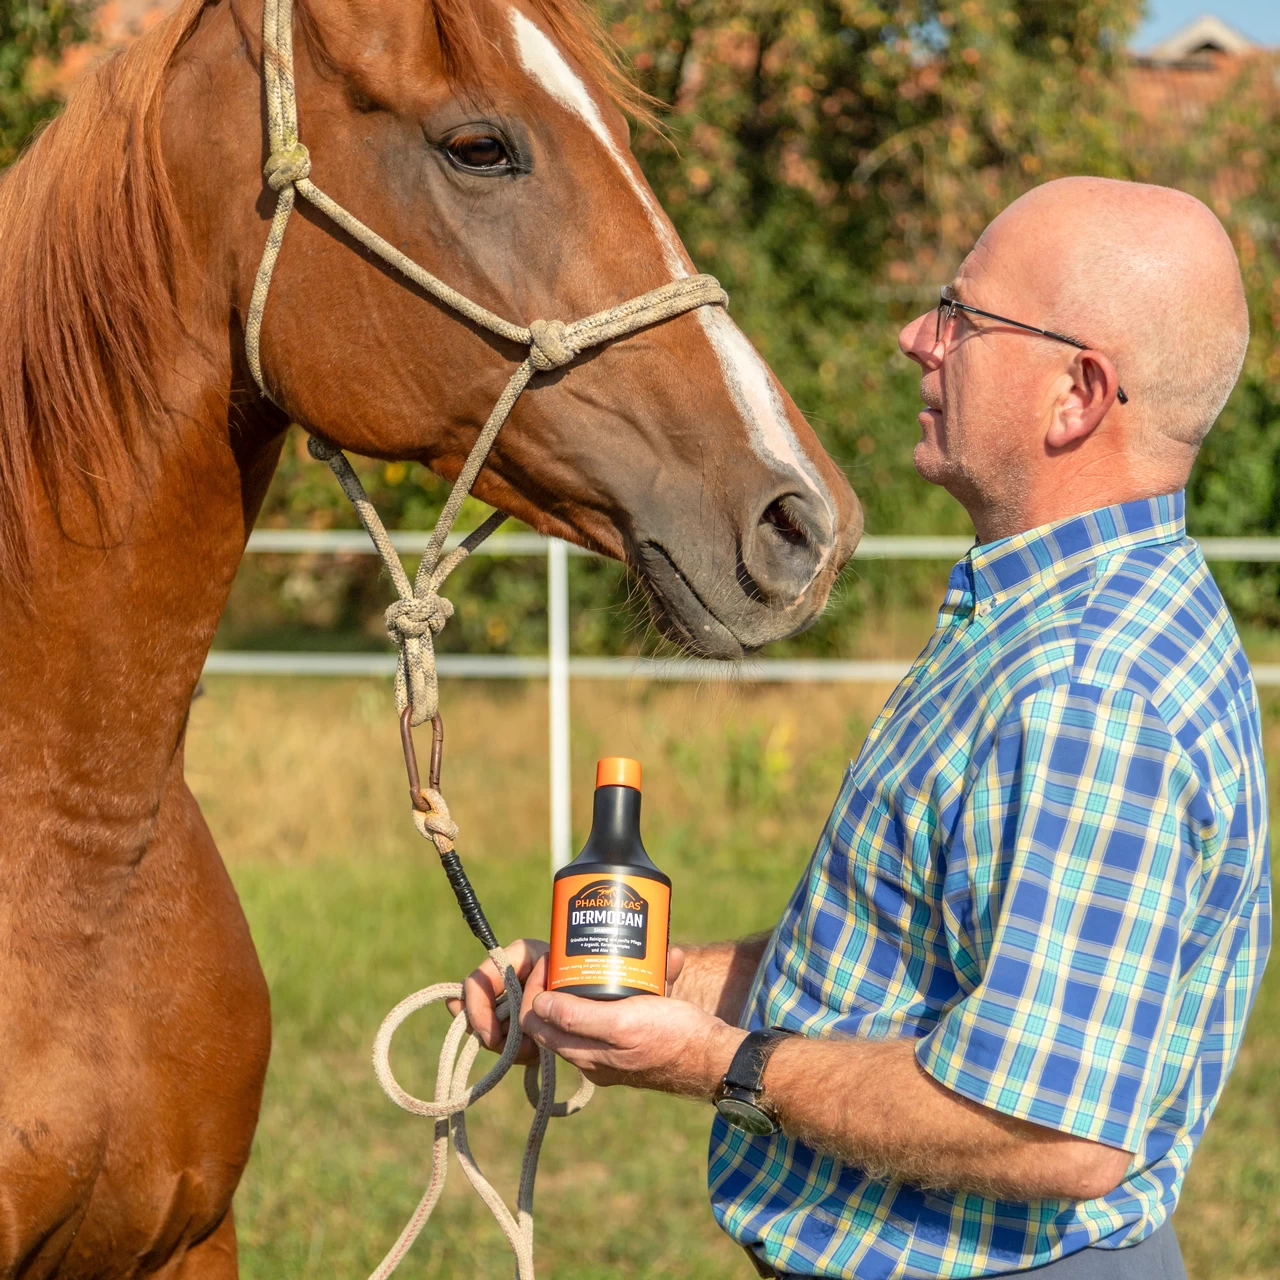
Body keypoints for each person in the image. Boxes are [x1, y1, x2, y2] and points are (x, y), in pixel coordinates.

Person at [453, 177, 1270, 1278]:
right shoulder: (1040, 627)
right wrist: (639, 979)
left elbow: (1048, 1127)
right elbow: (896, 970)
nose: (914, 338)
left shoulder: (1089, 687)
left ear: (1074, 393)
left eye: (960, 316)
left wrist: (716, 1063)